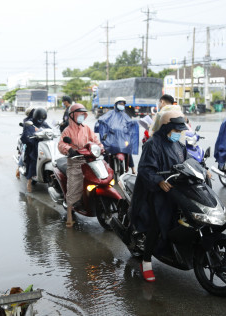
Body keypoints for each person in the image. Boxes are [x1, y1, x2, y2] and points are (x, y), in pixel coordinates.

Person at [130, 110, 189, 282]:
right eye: (175, 131)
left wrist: (203, 169)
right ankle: (146, 261)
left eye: (180, 131)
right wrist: (158, 181)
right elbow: (145, 169)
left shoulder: (179, 145)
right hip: (155, 192)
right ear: (166, 128)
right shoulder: (153, 144)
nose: (178, 134)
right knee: (157, 225)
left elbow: (188, 161)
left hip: (175, 189)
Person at [58, 103, 103, 228]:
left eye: (83, 114)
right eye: (79, 114)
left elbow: (95, 140)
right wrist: (69, 149)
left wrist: (101, 147)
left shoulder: (86, 128)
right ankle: (69, 215)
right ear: (72, 115)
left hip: (88, 160)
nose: (82, 116)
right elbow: (61, 144)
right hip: (75, 161)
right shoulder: (67, 130)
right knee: (73, 186)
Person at [95, 97, 139, 174]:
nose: (121, 105)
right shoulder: (110, 114)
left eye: (123, 104)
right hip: (112, 138)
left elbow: (129, 122)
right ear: (116, 105)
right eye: (120, 104)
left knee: (128, 150)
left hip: (123, 138)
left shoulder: (125, 115)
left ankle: (133, 168)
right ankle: (104, 169)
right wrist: (100, 122)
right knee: (107, 152)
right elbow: (103, 119)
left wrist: (133, 123)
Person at [20, 107, 50, 192]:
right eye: (40, 118)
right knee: (33, 159)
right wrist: (32, 137)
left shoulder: (43, 122)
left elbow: (49, 129)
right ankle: (29, 181)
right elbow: (26, 136)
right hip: (32, 146)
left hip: (42, 144)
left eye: (43, 119)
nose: (41, 120)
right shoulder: (29, 123)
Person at [16, 107, 36, 179]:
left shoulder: (39, 120)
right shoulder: (26, 121)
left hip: (37, 140)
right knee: (25, 152)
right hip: (29, 140)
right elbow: (25, 134)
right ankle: (18, 168)